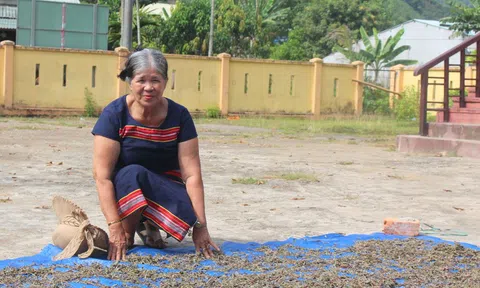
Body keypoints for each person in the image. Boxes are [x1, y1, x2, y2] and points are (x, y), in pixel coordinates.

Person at [91, 48, 219, 261]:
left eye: (156, 80)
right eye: (141, 80)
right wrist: (114, 228)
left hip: (165, 189)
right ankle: (128, 232)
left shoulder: (180, 116)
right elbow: (102, 177)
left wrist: (201, 226)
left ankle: (150, 221)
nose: (148, 87)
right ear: (130, 81)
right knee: (132, 173)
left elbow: (192, 175)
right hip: (126, 187)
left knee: (160, 187)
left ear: (166, 82)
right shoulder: (114, 115)